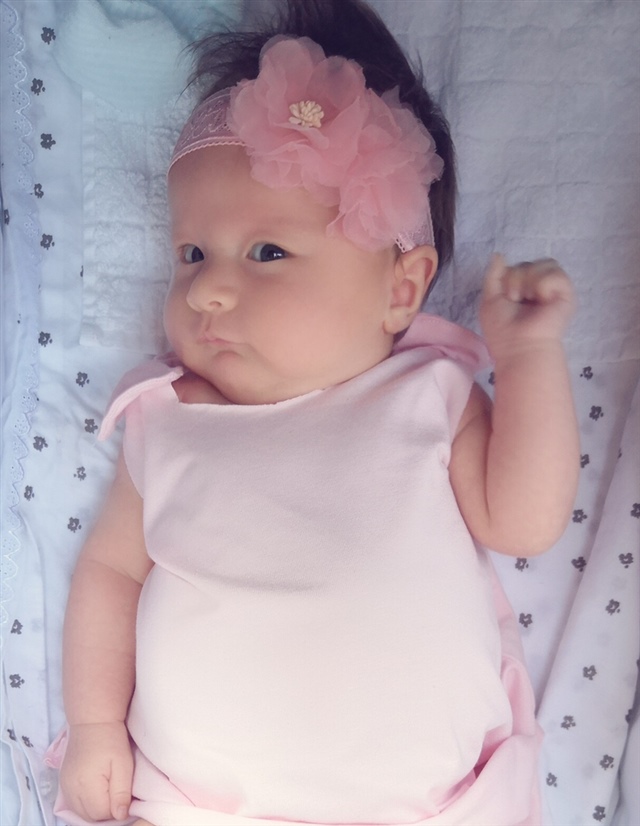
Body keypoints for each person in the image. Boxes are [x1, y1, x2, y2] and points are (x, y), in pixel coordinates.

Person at [47, 1, 580, 824]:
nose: (207, 288)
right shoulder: (171, 418)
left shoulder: (428, 395)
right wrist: (94, 729)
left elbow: (524, 520)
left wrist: (529, 359)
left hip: (431, 808)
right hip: (198, 806)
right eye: (191, 253)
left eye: (267, 252)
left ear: (401, 287)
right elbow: (111, 575)